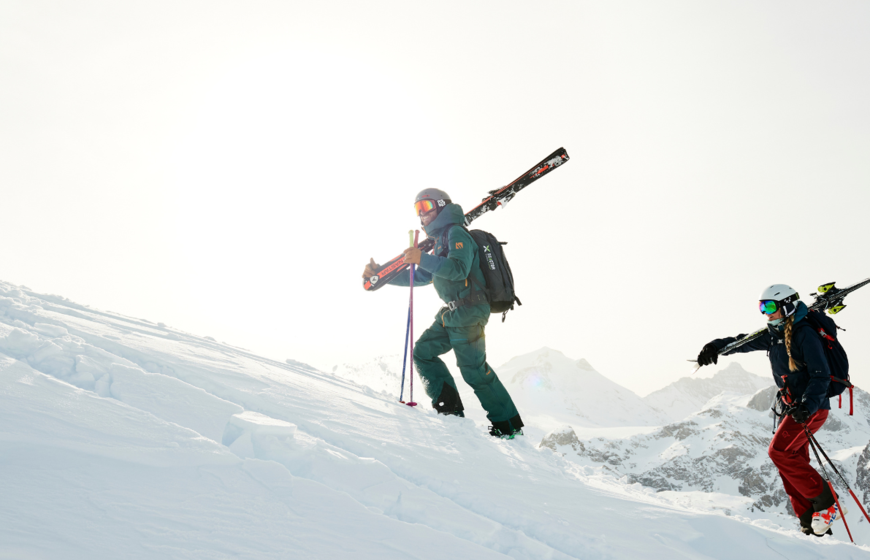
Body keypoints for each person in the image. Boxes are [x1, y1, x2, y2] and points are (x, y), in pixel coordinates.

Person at [363, 188, 524, 438]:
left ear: (439, 206)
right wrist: (382, 278)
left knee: (473, 370)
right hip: (451, 313)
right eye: (417, 210)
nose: (421, 215)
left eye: (425, 207)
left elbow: (458, 269)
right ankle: (450, 412)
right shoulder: (440, 240)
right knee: (423, 353)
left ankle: (508, 426)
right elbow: (425, 275)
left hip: (469, 310)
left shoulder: (456, 233)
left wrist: (421, 258)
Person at [696, 284, 845, 537]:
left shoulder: (804, 333)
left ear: (786, 305)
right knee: (792, 460)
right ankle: (808, 519)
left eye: (770, 306)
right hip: (794, 407)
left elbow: (821, 376)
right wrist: (715, 346)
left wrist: (806, 406)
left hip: (811, 408)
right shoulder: (775, 333)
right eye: (761, 307)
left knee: (778, 452)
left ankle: (827, 504)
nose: (765, 312)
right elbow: (742, 341)